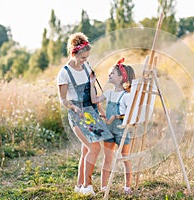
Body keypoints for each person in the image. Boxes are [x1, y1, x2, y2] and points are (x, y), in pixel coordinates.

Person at [57, 32, 103, 196]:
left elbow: (93, 91)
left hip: (92, 113)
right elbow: (63, 99)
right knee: (94, 147)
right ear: (73, 53)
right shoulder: (64, 73)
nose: (85, 61)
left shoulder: (87, 67)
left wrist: (100, 110)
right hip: (77, 116)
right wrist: (75, 109)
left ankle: (79, 185)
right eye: (83, 58)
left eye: (87, 57)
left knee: (86, 150)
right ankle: (87, 186)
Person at [90, 58, 135, 195]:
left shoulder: (126, 96)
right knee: (107, 159)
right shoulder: (109, 93)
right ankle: (104, 186)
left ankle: (127, 186)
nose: (109, 75)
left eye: (112, 73)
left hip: (121, 131)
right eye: (109, 73)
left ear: (121, 78)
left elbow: (130, 115)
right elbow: (94, 100)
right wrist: (92, 84)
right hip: (109, 131)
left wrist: (116, 117)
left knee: (125, 158)